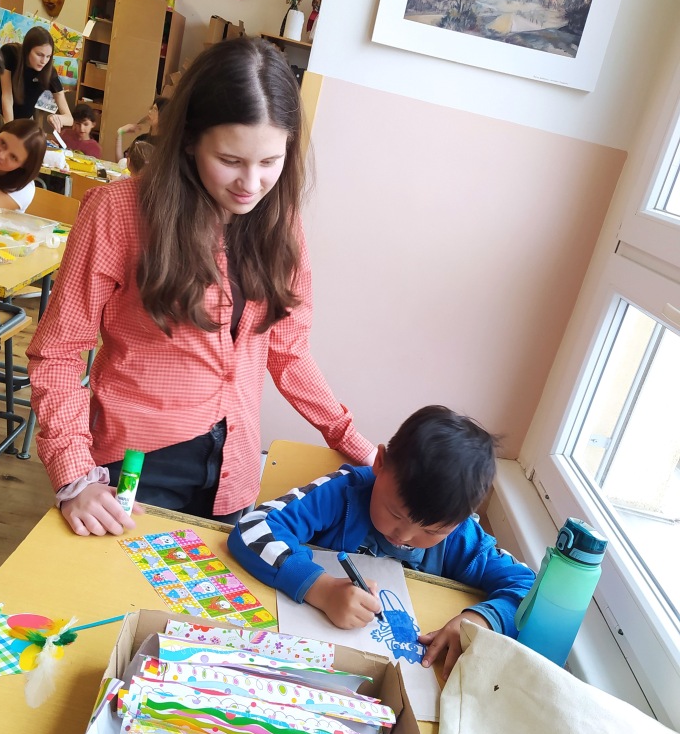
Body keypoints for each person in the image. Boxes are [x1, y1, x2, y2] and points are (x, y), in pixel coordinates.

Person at [27, 36, 373, 538]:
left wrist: (353, 441)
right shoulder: (118, 212)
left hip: (235, 469)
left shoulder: (282, 225)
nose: (250, 184)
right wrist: (74, 474)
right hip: (136, 466)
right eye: (230, 160)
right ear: (189, 139)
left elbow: (288, 350)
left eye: (269, 162)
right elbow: (58, 352)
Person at [228, 405, 535, 679]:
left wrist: (479, 621)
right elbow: (252, 527)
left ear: (461, 519)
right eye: (395, 513)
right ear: (380, 463)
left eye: (431, 532)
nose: (404, 536)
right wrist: (319, 588)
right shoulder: (343, 494)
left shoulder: (461, 536)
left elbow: (529, 591)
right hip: (301, 655)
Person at [0, 26, 73, 132]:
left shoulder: (50, 72)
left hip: (23, 120)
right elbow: (7, 96)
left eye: (48, 56)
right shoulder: (11, 53)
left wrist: (56, 118)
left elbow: (70, 119)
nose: (44, 61)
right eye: (39, 55)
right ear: (27, 50)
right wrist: (9, 129)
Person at [114, 94, 167, 162]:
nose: (149, 112)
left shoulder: (165, 145)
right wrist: (120, 133)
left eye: (155, 110)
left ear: (164, 116)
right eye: (151, 108)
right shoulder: (141, 139)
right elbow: (121, 163)